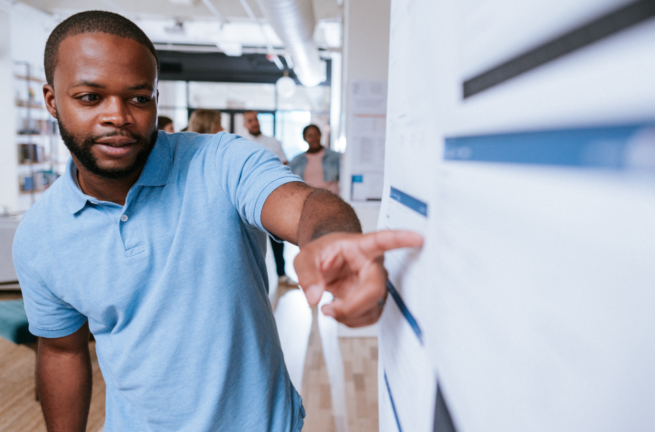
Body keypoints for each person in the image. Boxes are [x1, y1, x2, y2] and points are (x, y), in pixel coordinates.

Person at [13, 11, 421, 432]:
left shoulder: (220, 161)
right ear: (51, 100)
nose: (117, 115)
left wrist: (329, 239)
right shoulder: (40, 237)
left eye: (138, 97)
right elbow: (62, 351)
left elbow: (303, 205)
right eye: (89, 97)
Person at [242, 110, 295, 286]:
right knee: (249, 240)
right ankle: (249, 279)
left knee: (277, 238)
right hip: (247, 197)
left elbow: (284, 165)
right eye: (250, 120)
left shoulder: (273, 142)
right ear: (245, 124)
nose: (254, 123)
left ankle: (281, 274)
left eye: (255, 119)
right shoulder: (240, 142)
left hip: (272, 196)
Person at [289, 125, 340, 195]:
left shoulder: (335, 157)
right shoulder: (297, 160)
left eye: (316, 134)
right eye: (310, 136)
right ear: (305, 138)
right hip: (307, 199)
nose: (314, 138)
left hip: (331, 199)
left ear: (320, 135)